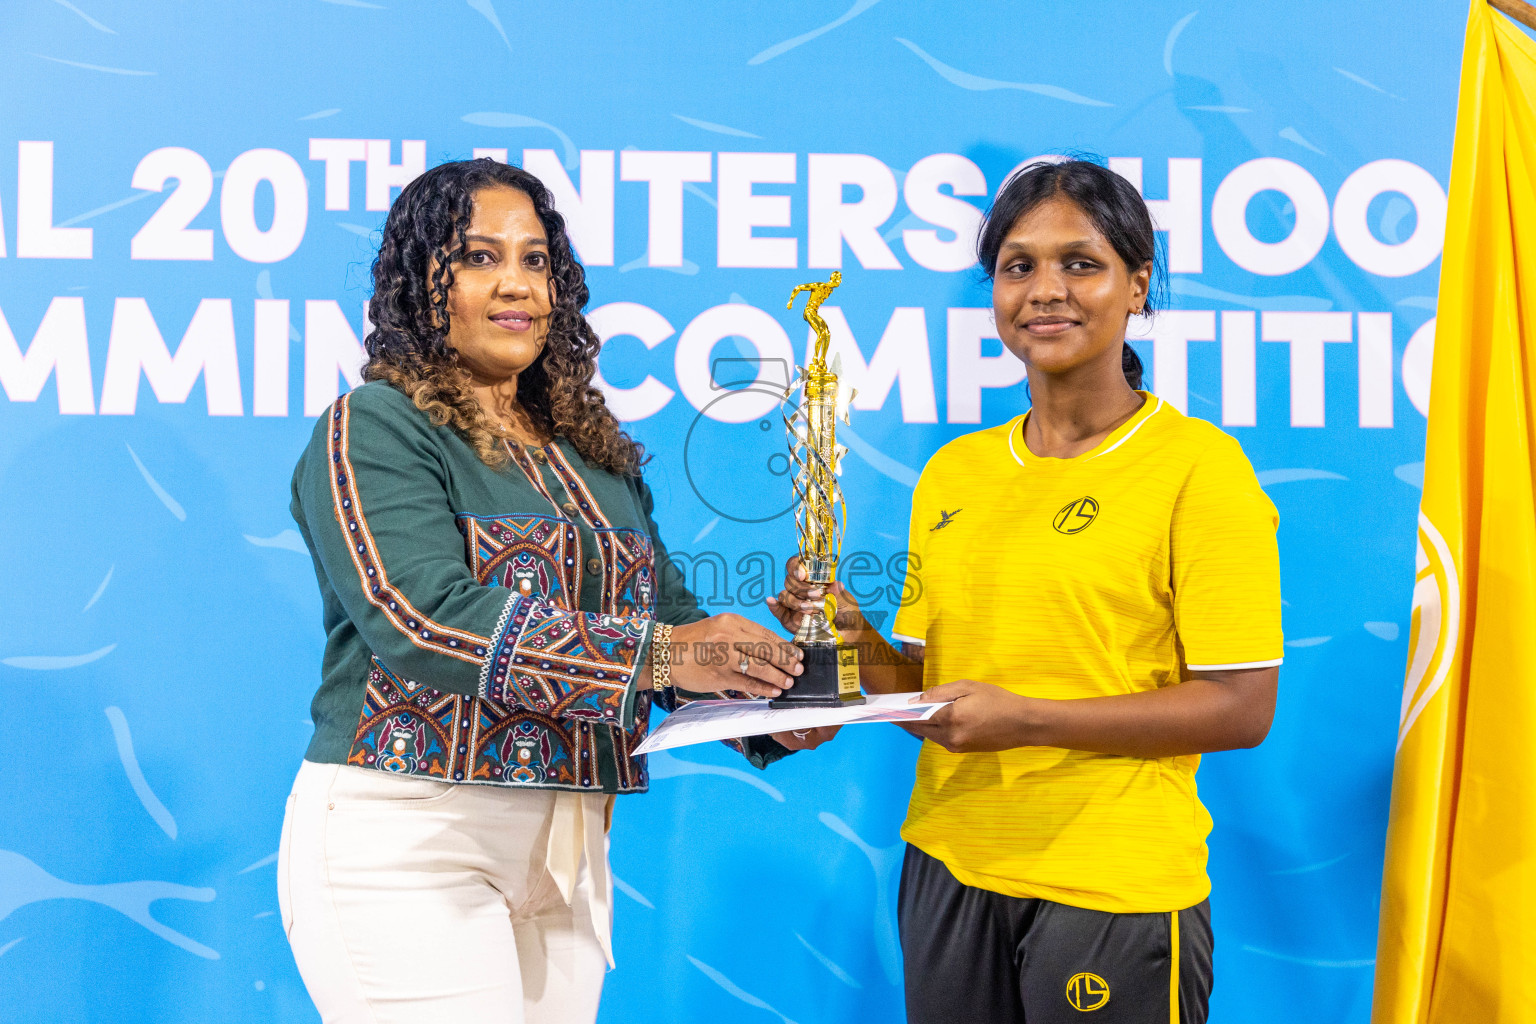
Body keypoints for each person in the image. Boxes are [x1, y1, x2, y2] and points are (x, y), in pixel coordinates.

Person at [278, 158, 825, 1024]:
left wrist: (774, 701)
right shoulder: (374, 425)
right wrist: (669, 652)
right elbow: (421, 620)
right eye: (481, 257)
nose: (517, 284)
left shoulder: (591, 452)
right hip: (410, 838)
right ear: (421, 281)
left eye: (536, 261)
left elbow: (670, 627)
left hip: (569, 850)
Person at [771, 159, 1283, 1023]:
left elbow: (1240, 708)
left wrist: (1029, 720)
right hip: (946, 868)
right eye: (1019, 266)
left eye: (1080, 263)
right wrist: (858, 640)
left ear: (1138, 287)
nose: (1046, 290)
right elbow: (933, 693)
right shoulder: (955, 471)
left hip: (1112, 886)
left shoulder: (1201, 471)